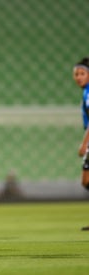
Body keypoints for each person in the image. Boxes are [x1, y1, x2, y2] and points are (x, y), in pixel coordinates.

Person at [73, 57, 89, 231]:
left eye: (82, 73)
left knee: (86, 179)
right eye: (76, 74)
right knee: (86, 180)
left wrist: (85, 143)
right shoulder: (86, 92)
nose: (78, 77)